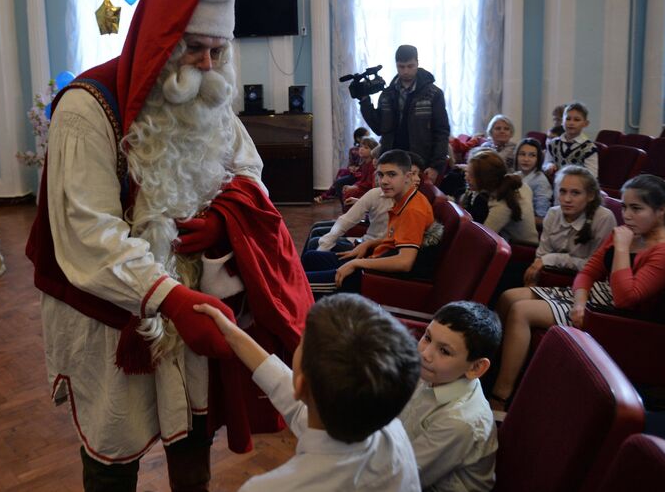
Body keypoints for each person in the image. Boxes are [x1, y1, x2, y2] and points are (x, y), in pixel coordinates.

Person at [25, 0, 313, 491]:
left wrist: (225, 219)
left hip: (195, 303)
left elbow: (249, 171)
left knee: (192, 434)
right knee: (114, 443)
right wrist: (168, 299)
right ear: (162, 41)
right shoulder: (87, 107)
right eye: (194, 49)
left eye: (217, 50)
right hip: (111, 310)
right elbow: (87, 229)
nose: (207, 65)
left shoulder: (210, 94)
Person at [194, 293, 422, 491]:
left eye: (302, 343)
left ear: (302, 385)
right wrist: (232, 333)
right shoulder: (388, 428)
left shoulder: (267, 488)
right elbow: (288, 389)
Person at [490, 174, 665, 410]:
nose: (627, 215)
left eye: (637, 209)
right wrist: (579, 301)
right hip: (591, 297)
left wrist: (622, 248)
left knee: (521, 311)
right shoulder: (627, 232)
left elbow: (625, 297)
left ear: (660, 211)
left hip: (615, 315)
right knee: (509, 296)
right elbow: (588, 272)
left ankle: (500, 397)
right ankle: (494, 369)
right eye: (625, 207)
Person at [400, 301, 501, 492]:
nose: (425, 354)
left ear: (475, 368)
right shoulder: (436, 372)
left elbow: (401, 477)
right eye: (427, 338)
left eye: (444, 351)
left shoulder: (460, 421)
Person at [303, 150, 434, 296]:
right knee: (311, 257)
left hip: (374, 276)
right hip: (374, 259)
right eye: (380, 174)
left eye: (392, 174)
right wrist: (369, 244)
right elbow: (397, 240)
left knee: (296, 286)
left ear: (408, 177)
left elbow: (405, 262)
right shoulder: (403, 200)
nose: (384, 181)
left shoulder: (413, 209)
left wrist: (356, 263)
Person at [359, 44, 450, 184]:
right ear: (396, 65)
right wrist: (364, 100)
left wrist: (436, 166)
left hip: (422, 161)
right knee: (389, 204)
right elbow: (379, 128)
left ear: (417, 63)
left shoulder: (434, 94)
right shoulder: (387, 94)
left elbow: (441, 132)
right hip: (391, 158)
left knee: (419, 203)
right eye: (401, 67)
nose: (406, 71)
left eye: (410, 66)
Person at [522, 166, 616, 286]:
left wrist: (553, 259)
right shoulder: (553, 213)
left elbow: (595, 267)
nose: (567, 199)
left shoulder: (603, 218)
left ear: (590, 195)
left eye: (575, 193)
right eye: (562, 191)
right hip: (551, 277)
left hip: (585, 285)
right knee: (508, 296)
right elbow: (541, 256)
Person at [461, 150, 539, 245]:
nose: (466, 178)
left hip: (522, 250)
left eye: (471, 175)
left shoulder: (501, 206)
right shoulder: (521, 185)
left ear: (484, 179)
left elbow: (482, 239)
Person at [315, 127, 370, 203]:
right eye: (367, 136)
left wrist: (357, 168)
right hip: (354, 172)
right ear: (358, 138)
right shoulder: (353, 150)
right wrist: (351, 168)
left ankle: (327, 195)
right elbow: (351, 164)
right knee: (341, 173)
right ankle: (331, 195)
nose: (369, 138)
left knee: (341, 175)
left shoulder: (370, 149)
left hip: (361, 173)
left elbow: (366, 164)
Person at [543, 101, 597, 178]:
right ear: (562, 122)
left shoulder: (589, 148)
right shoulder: (553, 143)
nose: (571, 123)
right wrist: (549, 165)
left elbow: (592, 175)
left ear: (585, 123)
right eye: (568, 119)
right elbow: (546, 163)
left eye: (577, 120)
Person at [514, 138, 552, 225]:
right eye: (522, 154)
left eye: (532, 155)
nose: (526, 159)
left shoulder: (540, 181)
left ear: (538, 158)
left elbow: (542, 217)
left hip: (526, 227)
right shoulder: (517, 175)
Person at [341, 136, 379, 206]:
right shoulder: (364, 163)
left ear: (372, 150)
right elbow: (362, 180)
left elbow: (369, 183)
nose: (361, 149)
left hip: (368, 190)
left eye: (366, 148)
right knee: (346, 190)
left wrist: (355, 187)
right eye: (361, 146)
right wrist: (354, 185)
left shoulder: (372, 165)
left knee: (350, 193)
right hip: (363, 187)